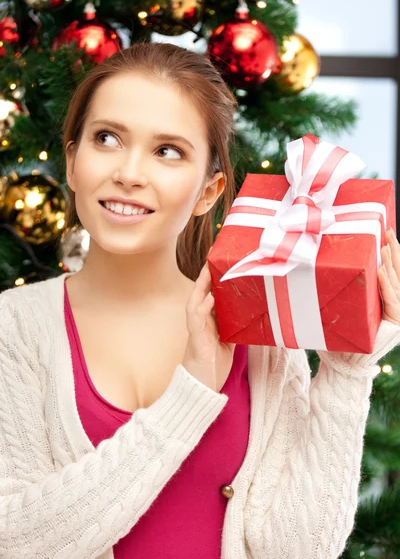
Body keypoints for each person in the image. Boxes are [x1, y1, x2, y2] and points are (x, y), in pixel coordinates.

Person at [0, 41, 400, 559]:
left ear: (209, 192)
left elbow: (300, 550)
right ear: (73, 163)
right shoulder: (15, 327)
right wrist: (187, 400)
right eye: (107, 138)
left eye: (168, 151)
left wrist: (347, 370)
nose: (130, 172)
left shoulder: (261, 332)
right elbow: (15, 540)